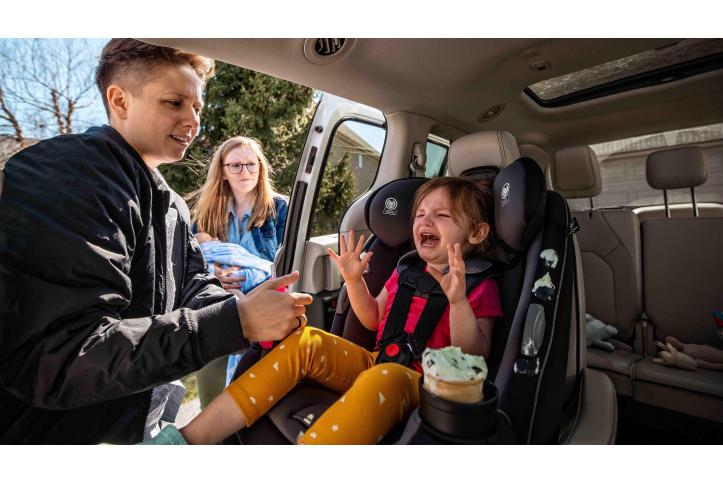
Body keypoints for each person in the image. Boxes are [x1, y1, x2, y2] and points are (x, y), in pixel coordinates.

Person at [0, 39, 311, 444]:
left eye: (197, 108)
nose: (193, 120)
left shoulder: (171, 205)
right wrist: (235, 323)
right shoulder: (74, 176)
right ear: (120, 101)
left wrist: (245, 309)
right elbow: (65, 356)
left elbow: (195, 285)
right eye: (174, 103)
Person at [144, 176, 503, 445]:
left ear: (476, 233)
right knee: (307, 340)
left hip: (424, 384)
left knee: (385, 377)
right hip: (376, 360)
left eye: (442, 215)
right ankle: (187, 440)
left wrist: (457, 300)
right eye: (421, 213)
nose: (426, 220)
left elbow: (474, 356)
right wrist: (354, 281)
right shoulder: (406, 270)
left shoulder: (479, 284)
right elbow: (374, 319)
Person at [188, 135, 289, 383]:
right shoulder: (206, 217)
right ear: (223, 172)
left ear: (260, 168)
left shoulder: (280, 208)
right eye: (235, 165)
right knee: (211, 390)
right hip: (218, 309)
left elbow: (289, 263)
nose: (245, 171)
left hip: (268, 302)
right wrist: (214, 278)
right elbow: (189, 267)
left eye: (251, 164)